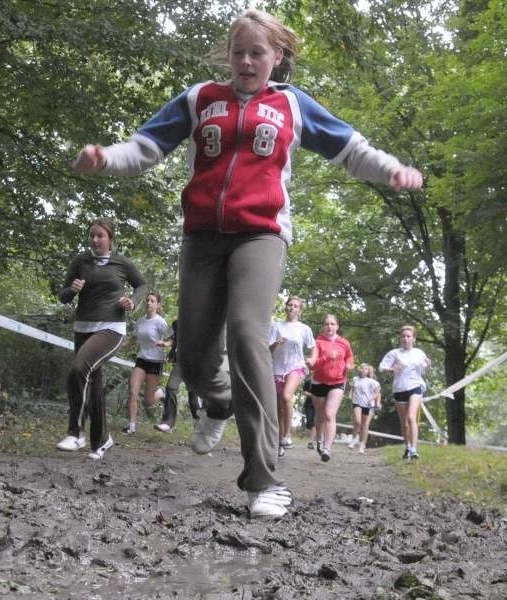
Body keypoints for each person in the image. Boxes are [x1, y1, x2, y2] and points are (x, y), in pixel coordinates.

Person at [73, 9, 423, 517]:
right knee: (191, 355)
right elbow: (145, 148)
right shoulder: (199, 99)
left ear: (276, 57)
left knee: (246, 334)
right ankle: (217, 402)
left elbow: (350, 148)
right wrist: (106, 158)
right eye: (238, 52)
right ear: (228, 54)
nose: (246, 61)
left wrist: (391, 170)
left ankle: (264, 479)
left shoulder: (291, 105)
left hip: (261, 234)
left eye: (257, 52)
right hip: (202, 237)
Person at [56, 218, 147, 459]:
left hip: (111, 329)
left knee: (78, 370)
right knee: (93, 383)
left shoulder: (121, 263)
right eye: (91, 236)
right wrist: (72, 290)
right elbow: (63, 296)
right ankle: (101, 441)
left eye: (100, 236)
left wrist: (133, 301)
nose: (95, 240)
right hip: (83, 328)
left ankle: (75, 433)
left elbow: (142, 285)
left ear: (110, 239)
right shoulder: (81, 262)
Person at [269, 296, 317, 457]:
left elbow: (313, 347)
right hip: (277, 369)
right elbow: (268, 349)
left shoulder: (304, 329)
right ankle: (279, 443)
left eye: (296, 306)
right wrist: (277, 343)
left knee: (286, 396)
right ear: (286, 307)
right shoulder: (276, 326)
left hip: (296, 367)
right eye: (290, 305)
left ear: (300, 310)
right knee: (278, 409)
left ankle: (287, 435)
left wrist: (312, 359)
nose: (292, 308)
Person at [122, 292, 173, 434]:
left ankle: (160, 393)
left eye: (152, 301)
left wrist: (165, 343)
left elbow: (171, 339)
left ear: (158, 305)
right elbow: (134, 339)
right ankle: (131, 426)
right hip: (141, 360)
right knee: (133, 391)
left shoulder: (160, 322)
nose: (149, 303)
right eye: (147, 300)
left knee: (148, 402)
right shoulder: (140, 322)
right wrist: (122, 344)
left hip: (155, 362)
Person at [379, 325, 431, 460]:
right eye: (403, 336)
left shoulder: (419, 353)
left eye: (408, 336)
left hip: (416, 386)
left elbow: (425, 372)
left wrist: (429, 365)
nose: (405, 339)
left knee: (411, 417)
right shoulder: (394, 353)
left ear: (414, 338)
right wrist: (391, 369)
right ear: (400, 338)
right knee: (404, 423)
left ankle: (414, 450)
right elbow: (381, 368)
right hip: (400, 388)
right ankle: (407, 447)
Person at [310, 314, 355, 463]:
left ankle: (327, 449)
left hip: (338, 381)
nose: (329, 327)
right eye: (327, 324)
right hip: (319, 381)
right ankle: (320, 440)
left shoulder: (344, 343)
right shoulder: (317, 342)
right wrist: (327, 357)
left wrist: (348, 365)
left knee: (329, 414)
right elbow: (313, 365)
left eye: (332, 324)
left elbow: (349, 358)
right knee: (320, 416)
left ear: (337, 326)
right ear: (323, 327)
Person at [154, 319, 202, 433]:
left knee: (193, 399)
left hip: (195, 363)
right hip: (180, 362)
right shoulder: (176, 323)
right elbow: (173, 339)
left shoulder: (200, 320)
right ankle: (168, 423)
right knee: (171, 388)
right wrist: (166, 344)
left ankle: (202, 425)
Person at [348, 363, 381, 454]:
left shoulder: (371, 381)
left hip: (367, 404)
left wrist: (372, 398)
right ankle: (354, 439)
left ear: (368, 371)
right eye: (362, 368)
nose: (363, 370)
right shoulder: (355, 379)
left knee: (364, 425)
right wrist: (351, 395)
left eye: (366, 369)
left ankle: (362, 445)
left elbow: (378, 392)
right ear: (359, 369)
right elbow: (352, 388)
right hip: (357, 403)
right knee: (357, 421)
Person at [302, 381, 317, 450]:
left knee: (314, 423)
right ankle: (308, 426)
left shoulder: (323, 382)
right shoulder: (308, 382)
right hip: (309, 405)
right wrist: (312, 395)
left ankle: (311, 442)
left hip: (318, 405)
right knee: (309, 422)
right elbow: (304, 392)